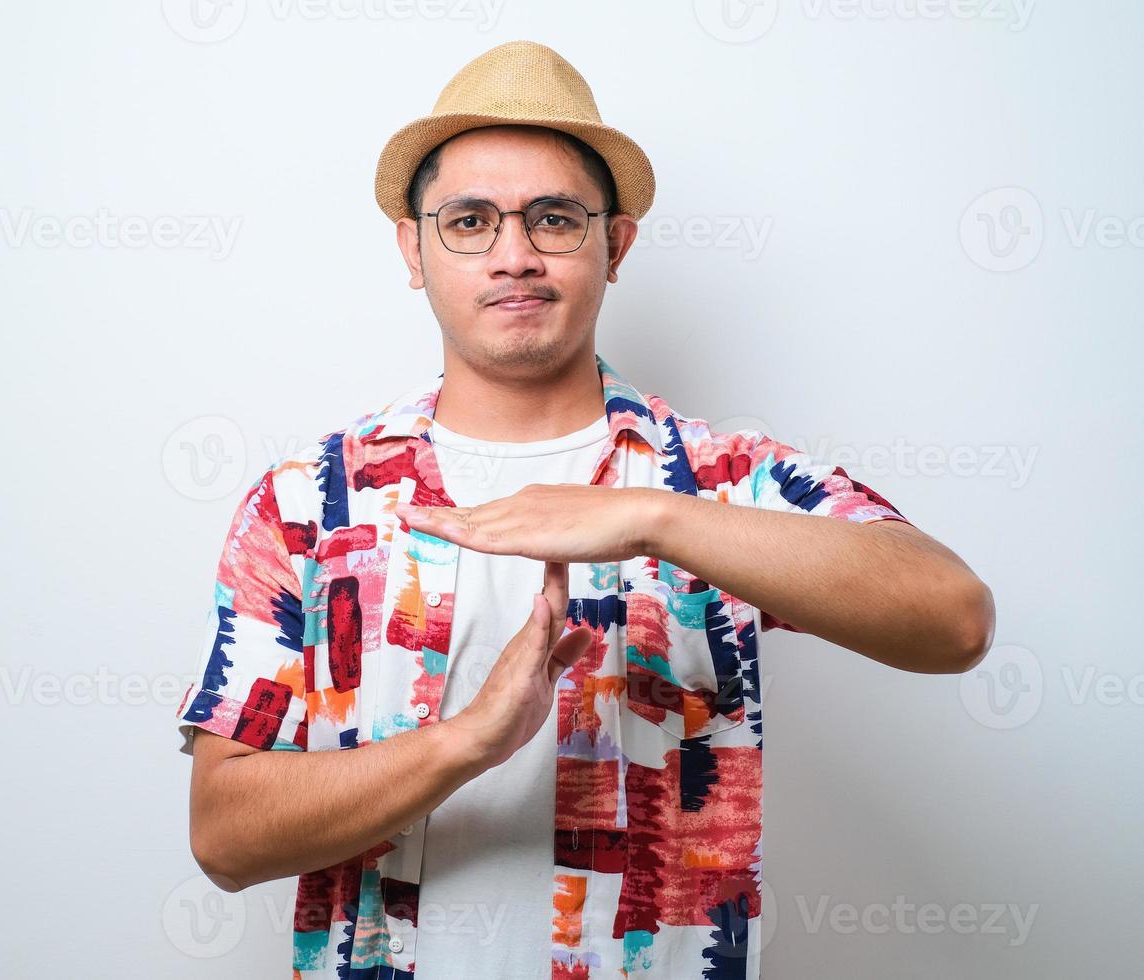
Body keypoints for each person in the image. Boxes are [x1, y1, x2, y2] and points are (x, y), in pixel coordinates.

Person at [172, 39, 994, 979]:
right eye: (470, 221)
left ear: (618, 244)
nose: (514, 256)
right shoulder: (308, 503)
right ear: (413, 247)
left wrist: (656, 518)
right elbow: (225, 838)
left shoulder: (717, 478)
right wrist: (466, 744)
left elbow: (955, 618)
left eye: (555, 219)